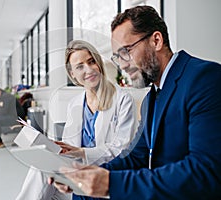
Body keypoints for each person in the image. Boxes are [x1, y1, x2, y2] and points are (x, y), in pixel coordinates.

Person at [50, 5, 221, 199]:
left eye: (126, 51)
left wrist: (110, 183)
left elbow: (205, 171)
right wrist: (87, 175)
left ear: (156, 40)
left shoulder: (204, 78)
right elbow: (136, 157)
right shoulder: (152, 97)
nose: (122, 64)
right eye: (117, 57)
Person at [15, 40, 138, 200]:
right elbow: (70, 149)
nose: (88, 70)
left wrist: (82, 152)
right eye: (80, 66)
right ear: (72, 74)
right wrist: (56, 148)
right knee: (41, 167)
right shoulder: (75, 104)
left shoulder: (122, 100)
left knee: (42, 177)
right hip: (76, 178)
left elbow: (122, 150)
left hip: (103, 179)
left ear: (98, 63)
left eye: (91, 61)